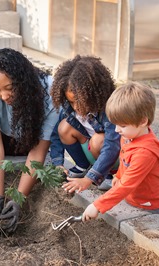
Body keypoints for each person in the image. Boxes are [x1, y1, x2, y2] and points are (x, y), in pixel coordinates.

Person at [0, 48, 59, 233]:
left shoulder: (49, 93)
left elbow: (38, 151)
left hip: (32, 141)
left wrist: (18, 200)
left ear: (24, 81)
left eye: (10, 88)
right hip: (5, 139)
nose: (3, 96)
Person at [82, 81, 159, 221]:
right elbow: (125, 159)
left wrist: (98, 205)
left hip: (151, 207)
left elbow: (127, 185)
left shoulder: (145, 153)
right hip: (134, 199)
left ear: (142, 122)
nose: (117, 130)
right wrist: (118, 175)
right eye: (115, 124)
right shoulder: (129, 137)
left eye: (122, 125)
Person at [49, 55, 120, 193]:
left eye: (79, 101)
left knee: (98, 140)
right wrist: (58, 163)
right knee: (63, 127)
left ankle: (106, 176)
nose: (75, 107)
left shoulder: (109, 109)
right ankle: (83, 166)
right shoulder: (70, 109)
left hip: (114, 157)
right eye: (71, 102)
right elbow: (56, 136)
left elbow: (111, 146)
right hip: (91, 152)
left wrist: (90, 178)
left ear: (93, 94)